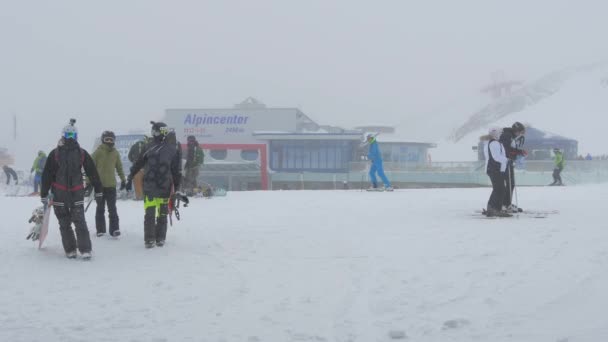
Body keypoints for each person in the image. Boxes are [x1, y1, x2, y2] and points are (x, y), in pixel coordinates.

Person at [40, 119, 102, 259]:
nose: (69, 138)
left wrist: (98, 189)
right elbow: (47, 175)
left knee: (79, 220)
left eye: (72, 136)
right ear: (63, 135)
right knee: (64, 222)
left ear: (76, 137)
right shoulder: (54, 153)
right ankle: (70, 249)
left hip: (76, 193)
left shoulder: (82, 153)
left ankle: (85, 249)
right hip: (59, 193)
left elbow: (92, 172)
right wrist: (44, 193)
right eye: (67, 135)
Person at [126, 122, 183, 248]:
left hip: (163, 187)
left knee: (162, 213)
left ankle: (160, 238)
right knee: (150, 213)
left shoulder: (172, 149)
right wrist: (130, 177)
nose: (153, 134)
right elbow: (138, 163)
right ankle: (150, 239)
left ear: (162, 132)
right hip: (151, 187)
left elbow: (176, 171)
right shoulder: (149, 146)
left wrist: (177, 189)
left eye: (155, 132)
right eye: (153, 132)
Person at [92, 131, 126, 237]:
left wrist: (123, 180)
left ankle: (114, 229)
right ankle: (100, 230)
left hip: (111, 185)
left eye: (111, 140)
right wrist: (88, 183)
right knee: (100, 208)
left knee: (112, 208)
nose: (109, 142)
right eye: (107, 139)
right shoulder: (98, 152)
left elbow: (119, 167)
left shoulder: (115, 153)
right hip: (99, 186)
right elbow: (90, 168)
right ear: (103, 140)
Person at [482, 128, 511, 217]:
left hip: (495, 169)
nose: (500, 134)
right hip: (494, 169)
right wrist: (507, 160)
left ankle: (492, 208)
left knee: (499, 189)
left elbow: (498, 156)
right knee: (500, 189)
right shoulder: (494, 143)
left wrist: (505, 164)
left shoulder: (493, 143)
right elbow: (496, 157)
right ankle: (494, 209)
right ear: (495, 134)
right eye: (499, 133)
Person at [499, 121, 527, 212]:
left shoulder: (510, 136)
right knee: (510, 183)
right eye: (520, 132)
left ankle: (506, 203)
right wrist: (518, 152)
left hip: (508, 162)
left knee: (510, 183)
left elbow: (510, 149)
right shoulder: (507, 135)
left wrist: (519, 152)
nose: (521, 134)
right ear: (516, 130)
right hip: (505, 162)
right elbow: (506, 149)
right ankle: (505, 204)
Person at [128, 136, 149, 200]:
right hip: (146, 169)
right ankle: (147, 196)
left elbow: (129, 156)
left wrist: (134, 162)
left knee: (137, 183)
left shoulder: (134, 146)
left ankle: (139, 196)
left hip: (136, 169)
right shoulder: (147, 146)